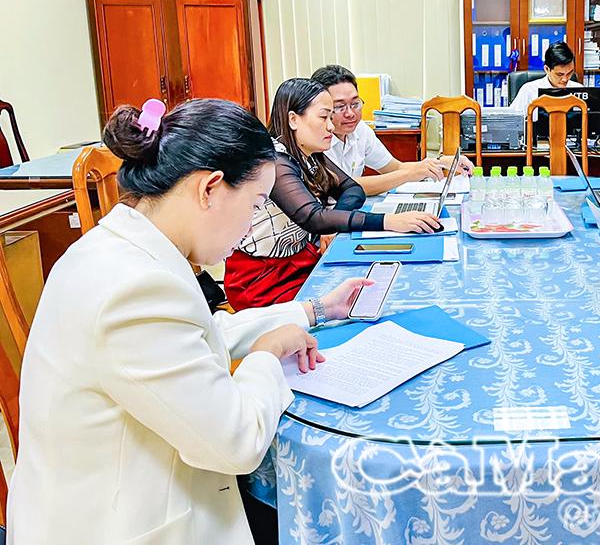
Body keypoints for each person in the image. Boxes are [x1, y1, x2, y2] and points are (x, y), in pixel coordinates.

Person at [6, 98, 374, 544]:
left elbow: (199, 336)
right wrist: (265, 355)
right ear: (210, 189)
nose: (251, 224)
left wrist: (314, 310)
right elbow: (237, 442)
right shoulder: (134, 287)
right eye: (255, 204)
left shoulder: (121, 248)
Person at [225, 78, 438, 310]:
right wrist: (388, 221)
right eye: (324, 117)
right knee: (356, 301)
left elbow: (353, 190)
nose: (330, 126)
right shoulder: (276, 161)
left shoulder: (309, 153)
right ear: (293, 119)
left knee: (372, 288)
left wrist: (333, 224)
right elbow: (313, 218)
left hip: (300, 260)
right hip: (263, 278)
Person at [312, 64, 474, 195]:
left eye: (355, 104)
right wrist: (409, 174)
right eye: (339, 107)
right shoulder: (316, 139)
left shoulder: (360, 130)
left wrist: (441, 163)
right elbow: (346, 186)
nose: (350, 113)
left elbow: (395, 167)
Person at [508, 41, 583, 116]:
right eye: (560, 74)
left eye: (569, 73)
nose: (565, 79)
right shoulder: (529, 90)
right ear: (547, 69)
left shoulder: (580, 90)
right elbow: (513, 119)